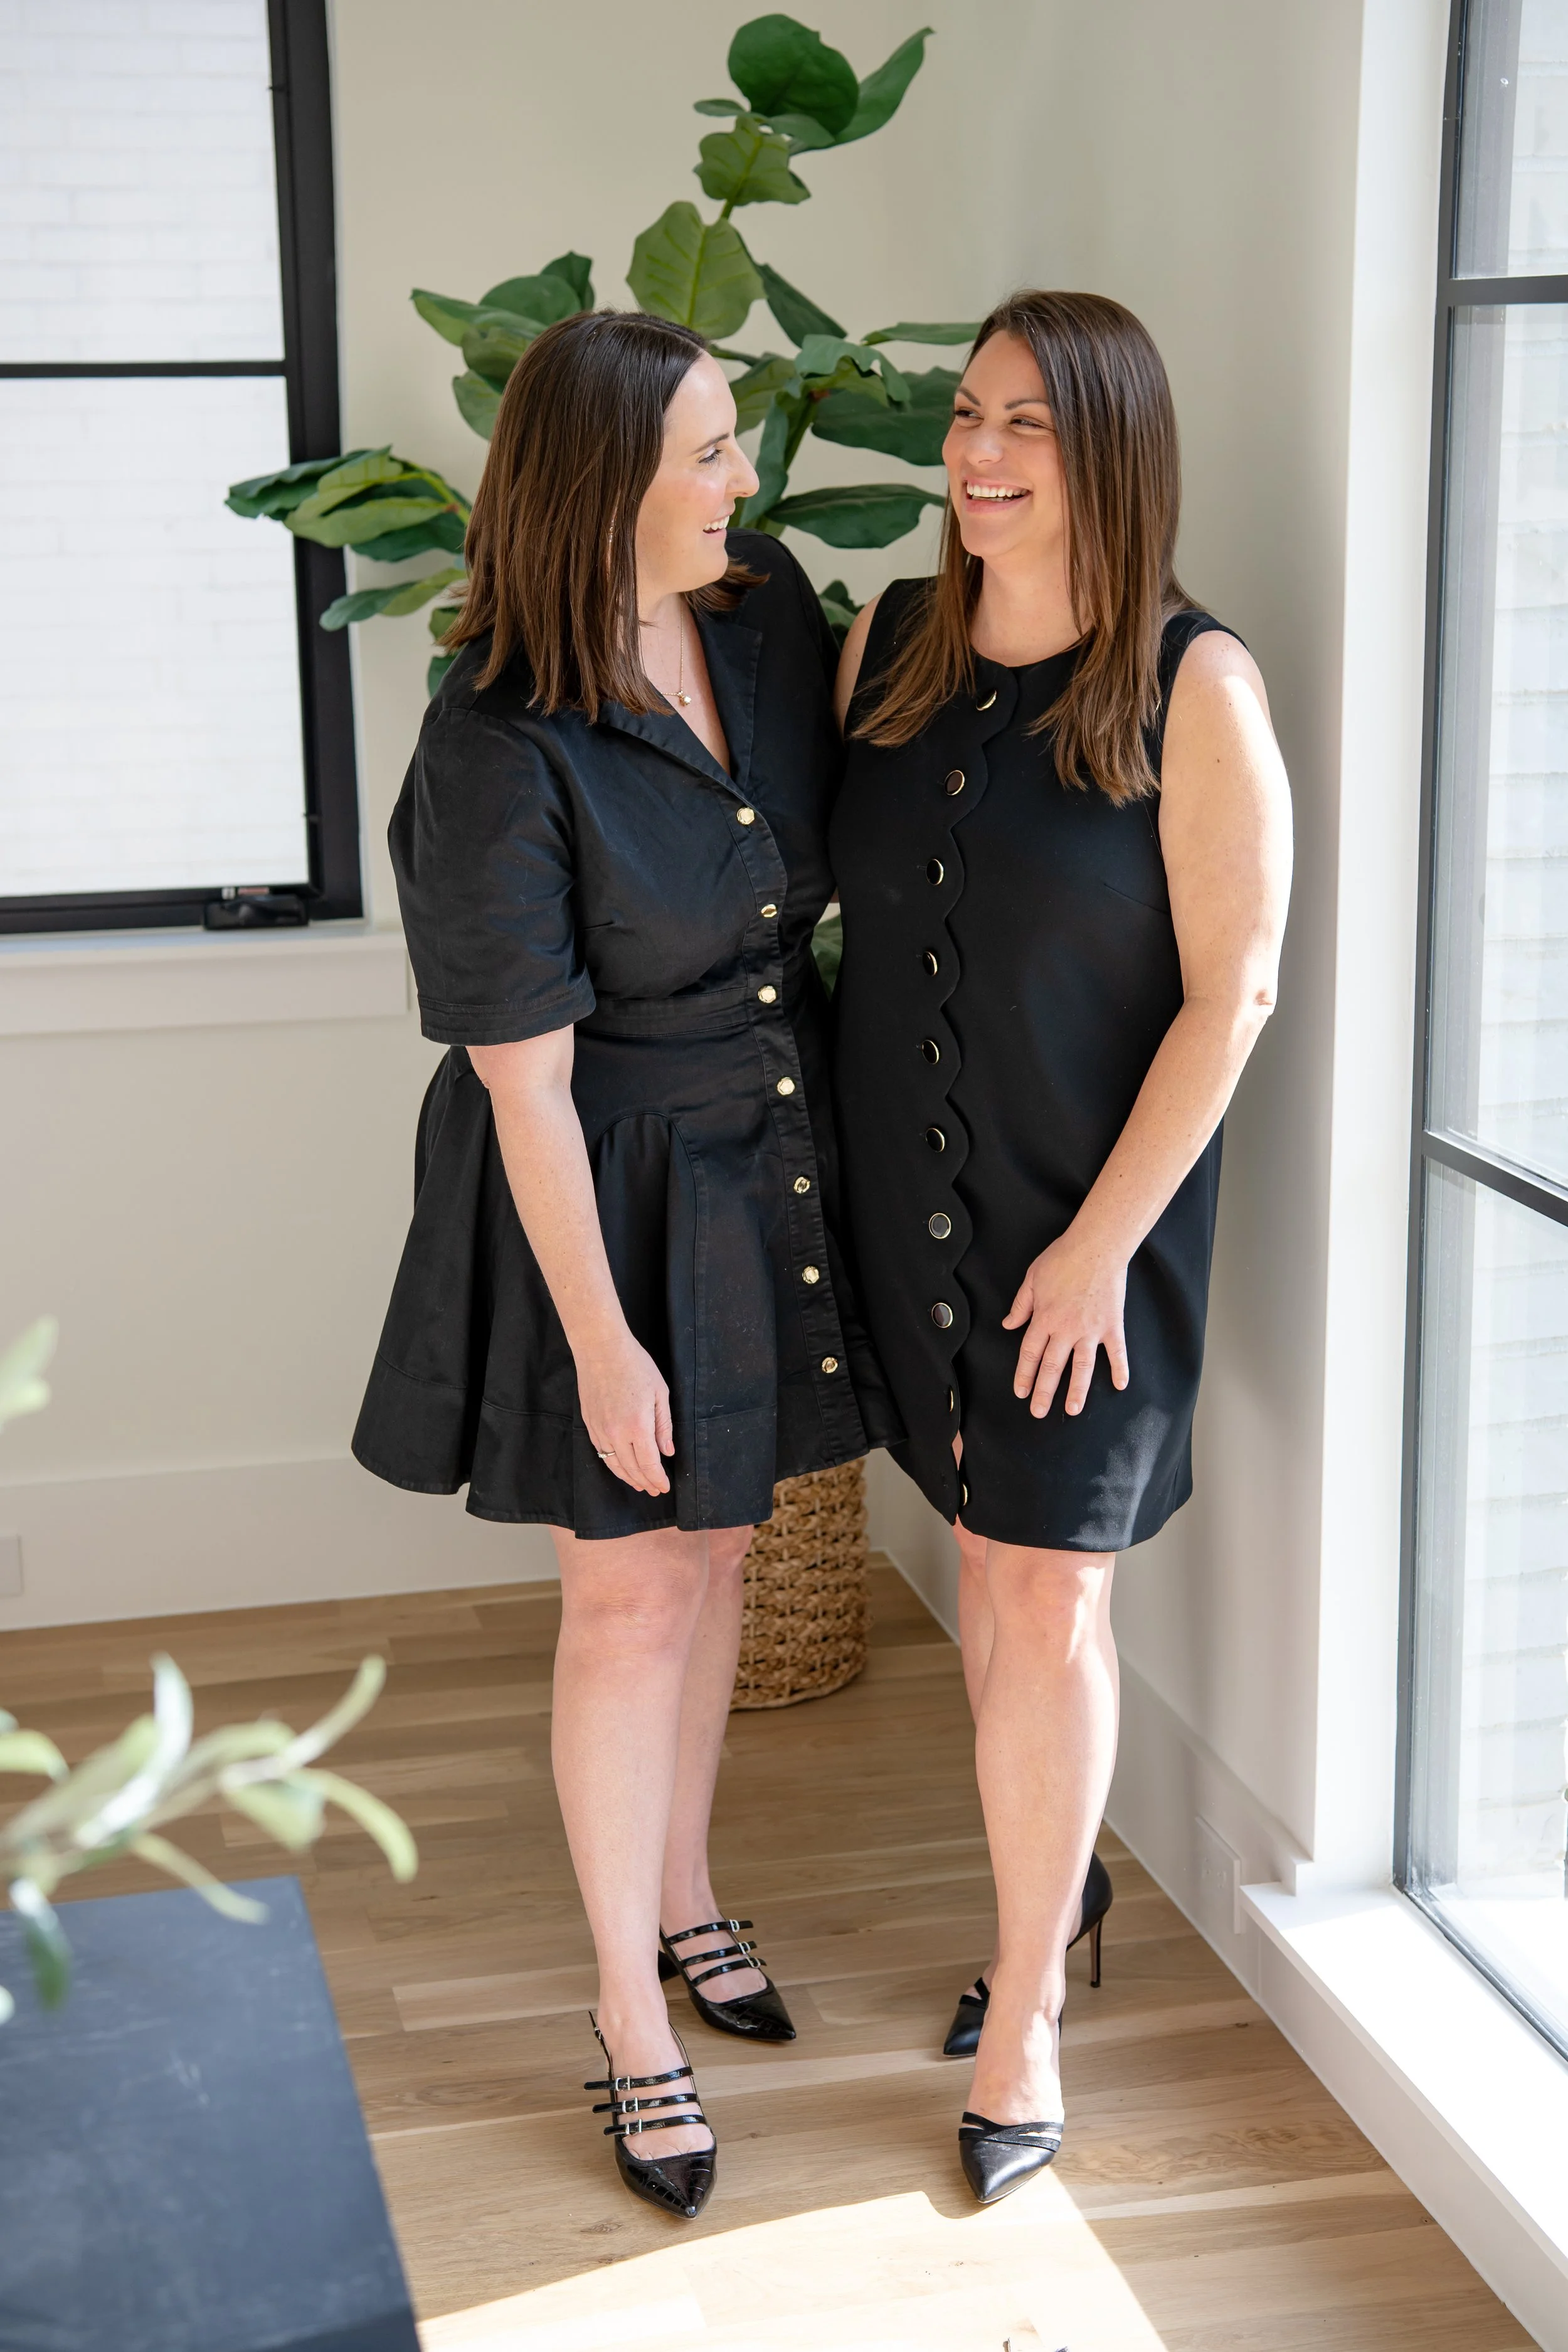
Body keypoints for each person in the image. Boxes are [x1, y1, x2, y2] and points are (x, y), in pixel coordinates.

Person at [352, 309, 898, 2221]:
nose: (743, 479)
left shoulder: (759, 622)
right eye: (709, 452)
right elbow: (520, 1076)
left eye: (736, 441)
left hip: (763, 1159)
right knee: (622, 1603)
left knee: (725, 1545)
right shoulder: (497, 732)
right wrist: (598, 1339)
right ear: (603, 489)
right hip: (594, 1181)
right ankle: (623, 2014)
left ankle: (684, 1893)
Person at [829, 290, 1291, 2205]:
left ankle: (1024, 2003)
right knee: (981, 1564)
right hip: (901, 1208)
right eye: (963, 413)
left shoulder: (1193, 685)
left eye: (1026, 420)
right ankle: (1059, 1871)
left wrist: (1104, 1241)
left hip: (1080, 1229)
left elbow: (1233, 989)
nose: (978, 453)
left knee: (1044, 1595)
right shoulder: (889, 645)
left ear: (1112, 449)